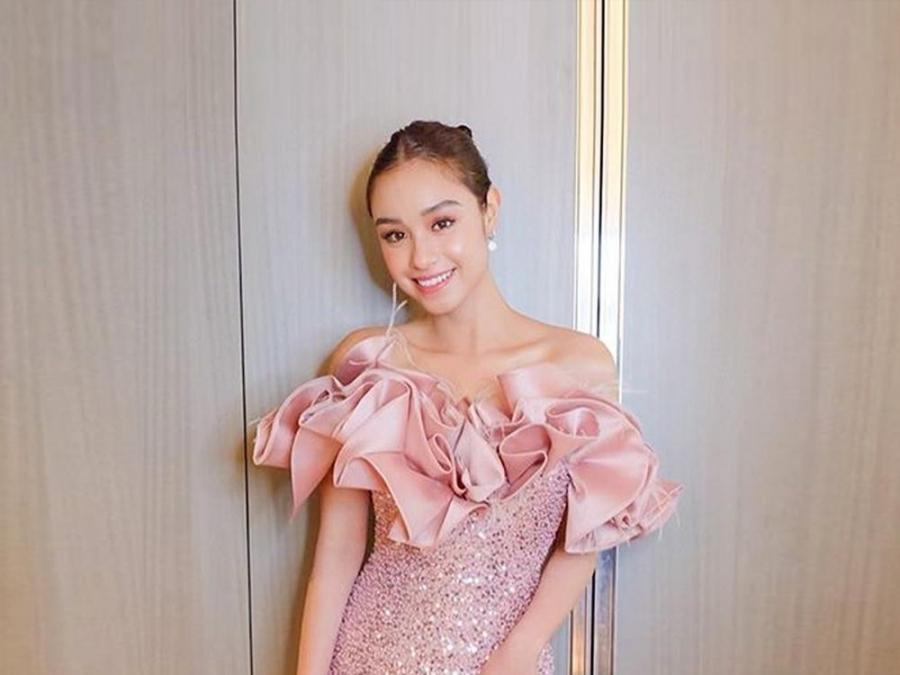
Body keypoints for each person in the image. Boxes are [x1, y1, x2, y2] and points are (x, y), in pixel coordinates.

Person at [251, 120, 683, 675]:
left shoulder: (576, 363)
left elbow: (587, 536)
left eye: (442, 222)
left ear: (489, 210)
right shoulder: (370, 362)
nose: (421, 257)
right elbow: (335, 556)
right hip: (368, 657)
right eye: (395, 235)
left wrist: (520, 649)